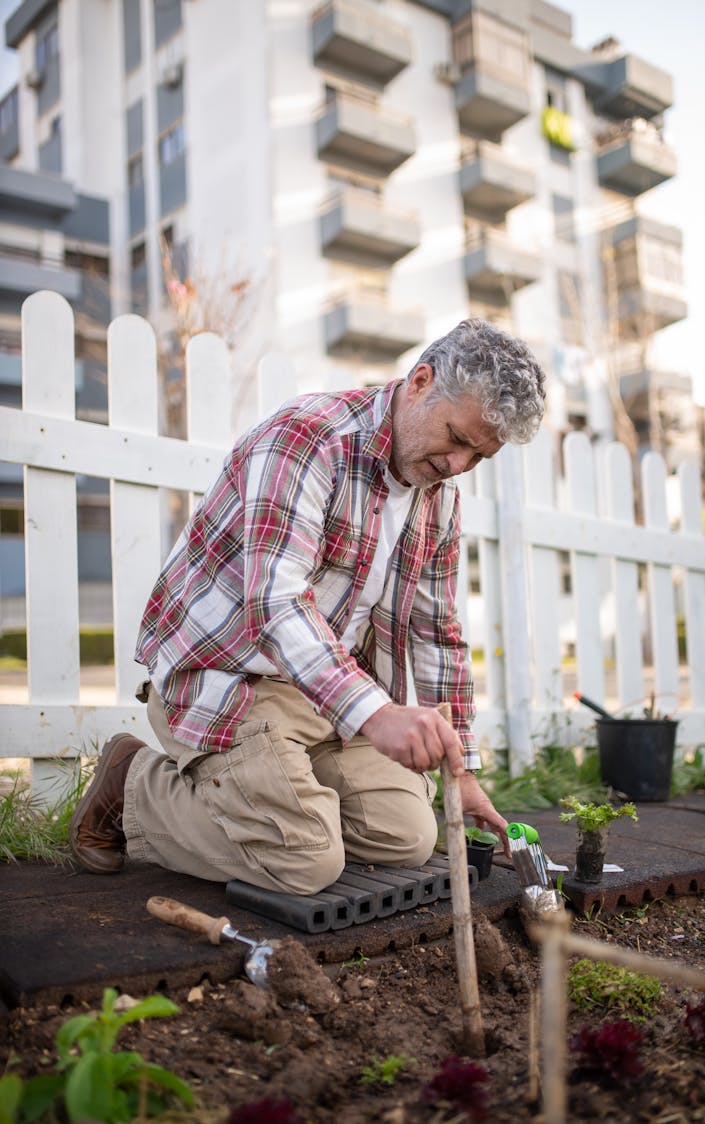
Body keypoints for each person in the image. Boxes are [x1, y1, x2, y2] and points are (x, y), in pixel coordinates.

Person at [69, 318, 546, 894]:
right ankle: (135, 785)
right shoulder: (307, 439)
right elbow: (274, 602)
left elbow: (437, 631)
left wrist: (461, 769)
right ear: (420, 382)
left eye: (478, 456)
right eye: (456, 437)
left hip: (324, 695)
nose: (457, 466)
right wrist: (375, 713)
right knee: (307, 863)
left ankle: (277, 804)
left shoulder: (437, 495)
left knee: (408, 838)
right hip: (230, 680)